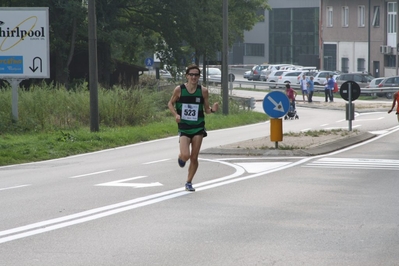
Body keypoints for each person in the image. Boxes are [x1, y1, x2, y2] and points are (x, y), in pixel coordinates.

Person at [167, 64, 219, 192]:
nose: (194, 77)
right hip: (184, 126)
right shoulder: (179, 90)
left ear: (199, 77)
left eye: (196, 75)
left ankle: (189, 182)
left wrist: (212, 109)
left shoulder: (203, 91)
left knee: (194, 157)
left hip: (198, 127)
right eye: (191, 75)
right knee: (186, 155)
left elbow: (206, 110)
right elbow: (170, 103)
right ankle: (181, 158)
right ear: (187, 76)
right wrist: (176, 114)